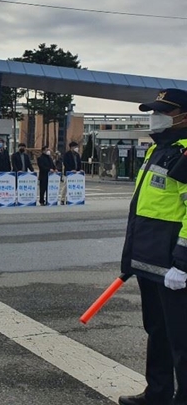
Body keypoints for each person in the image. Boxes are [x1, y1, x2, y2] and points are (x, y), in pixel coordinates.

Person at [118, 88, 187, 405]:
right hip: (150, 262)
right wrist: (131, 259)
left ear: (183, 117)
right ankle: (157, 393)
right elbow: (142, 210)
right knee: (158, 333)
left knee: (182, 340)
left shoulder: (184, 152)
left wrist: (183, 263)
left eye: (163, 112)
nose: (155, 117)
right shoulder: (158, 150)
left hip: (174, 268)